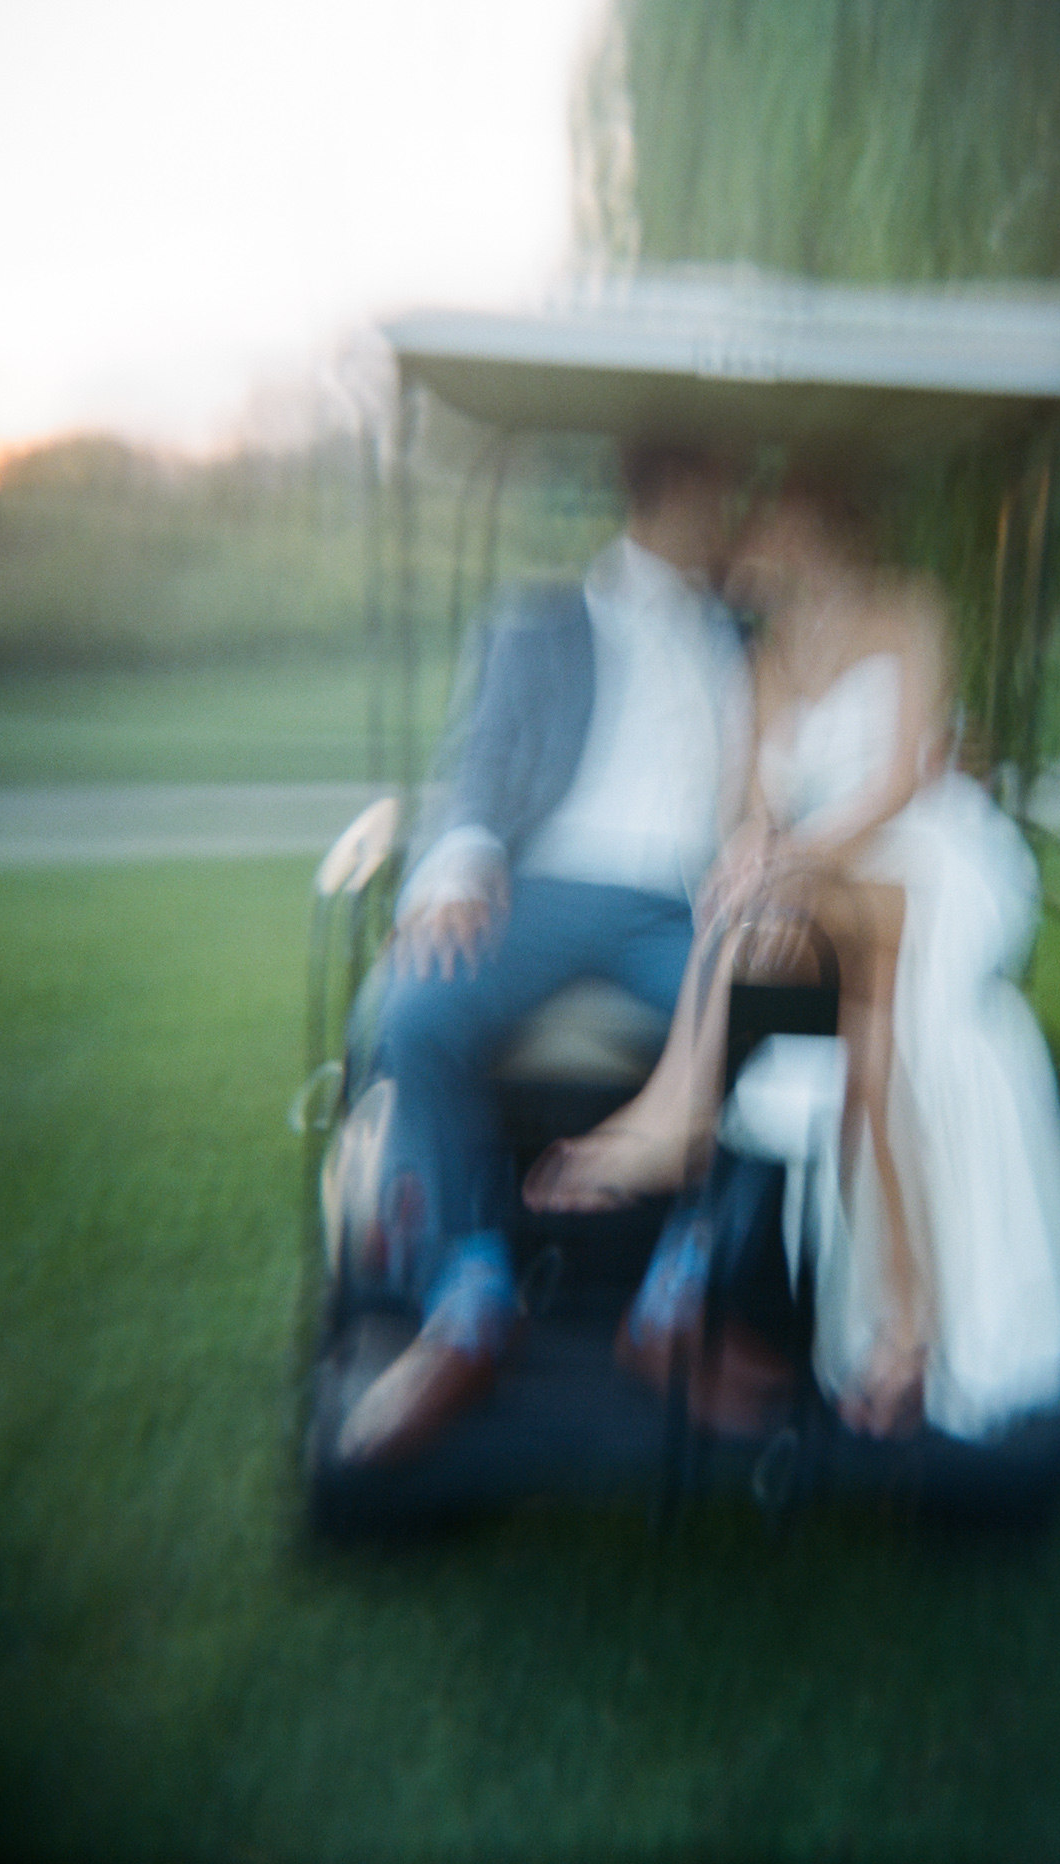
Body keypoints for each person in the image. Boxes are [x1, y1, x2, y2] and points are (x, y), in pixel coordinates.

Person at [529, 470, 1060, 1446]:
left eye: (766, 517)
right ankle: (902, 1323)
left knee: (836, 970)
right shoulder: (764, 658)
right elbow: (749, 801)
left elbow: (898, 778)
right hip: (832, 888)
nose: (744, 533)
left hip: (935, 858)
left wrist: (788, 859)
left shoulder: (910, 609)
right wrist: (753, 847)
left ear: (816, 520)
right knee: (842, 1022)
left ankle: (678, 1113)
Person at [333, 443, 752, 1467]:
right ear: (665, 492)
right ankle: (468, 1301)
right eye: (721, 496)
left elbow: (813, 739)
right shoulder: (539, 617)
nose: (738, 519)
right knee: (412, 1009)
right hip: (545, 887)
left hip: (688, 908)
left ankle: (677, 1297)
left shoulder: (746, 628)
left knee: (788, 1012)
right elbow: (474, 767)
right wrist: (456, 866)